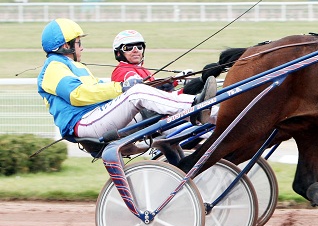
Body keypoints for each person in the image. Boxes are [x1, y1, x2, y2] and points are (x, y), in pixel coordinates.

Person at [37, 18, 217, 142]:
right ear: (66, 45)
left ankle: (216, 118)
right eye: (78, 43)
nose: (82, 48)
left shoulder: (76, 66)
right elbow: (77, 95)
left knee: (160, 116)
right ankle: (195, 106)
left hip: (96, 117)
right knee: (136, 93)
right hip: (83, 123)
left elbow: (99, 87)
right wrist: (122, 88)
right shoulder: (53, 67)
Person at [111, 29, 186, 92]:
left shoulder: (142, 70)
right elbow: (147, 95)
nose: (135, 50)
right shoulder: (123, 72)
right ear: (118, 53)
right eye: (128, 48)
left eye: (139, 47)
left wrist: (177, 80)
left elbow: (155, 90)